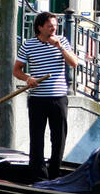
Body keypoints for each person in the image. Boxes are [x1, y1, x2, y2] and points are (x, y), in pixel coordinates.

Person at [13, 12, 80, 182]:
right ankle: (38, 177)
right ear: (40, 27)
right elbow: (16, 70)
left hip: (58, 98)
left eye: (55, 26)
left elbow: (74, 63)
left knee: (58, 138)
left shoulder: (62, 41)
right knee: (36, 138)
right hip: (37, 99)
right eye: (50, 26)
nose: (54, 29)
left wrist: (60, 47)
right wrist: (28, 79)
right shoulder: (28, 45)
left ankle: (55, 174)